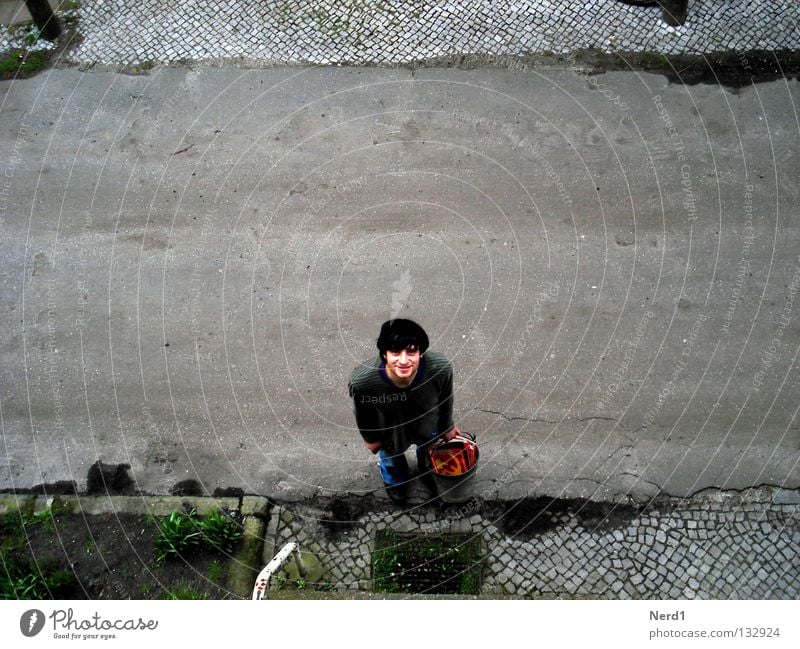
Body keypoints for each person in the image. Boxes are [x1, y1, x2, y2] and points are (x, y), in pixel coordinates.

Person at [348, 319, 459, 505]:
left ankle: (426, 469)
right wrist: (370, 438)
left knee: (429, 451)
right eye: (395, 352)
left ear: (420, 353)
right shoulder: (363, 382)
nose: (404, 360)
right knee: (391, 458)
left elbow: (446, 399)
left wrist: (447, 425)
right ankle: (395, 480)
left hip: (428, 424)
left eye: (411, 351)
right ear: (385, 354)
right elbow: (363, 414)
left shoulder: (440, 369)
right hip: (391, 432)